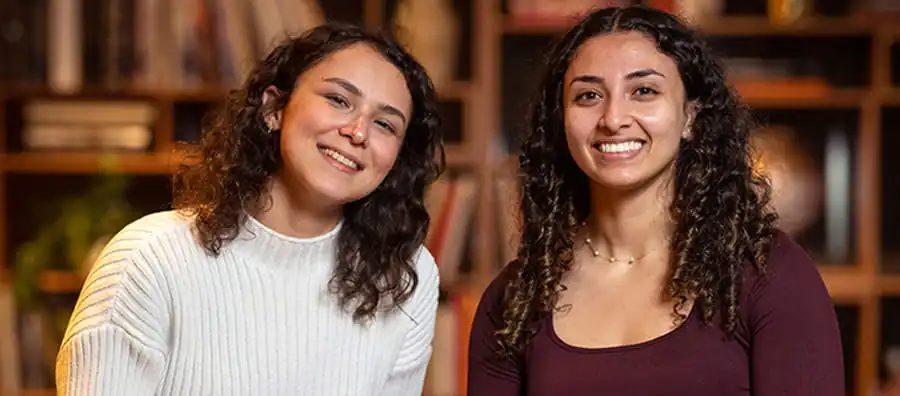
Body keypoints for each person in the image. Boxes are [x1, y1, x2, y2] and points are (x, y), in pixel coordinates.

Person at [468, 5, 843, 395]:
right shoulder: (515, 298)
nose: (613, 118)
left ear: (690, 117)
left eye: (644, 91)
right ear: (561, 121)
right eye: (588, 95)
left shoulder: (769, 274)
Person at [56, 22, 444, 395]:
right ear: (274, 108)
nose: (357, 133)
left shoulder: (407, 276)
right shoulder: (149, 259)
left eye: (385, 124)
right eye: (338, 100)